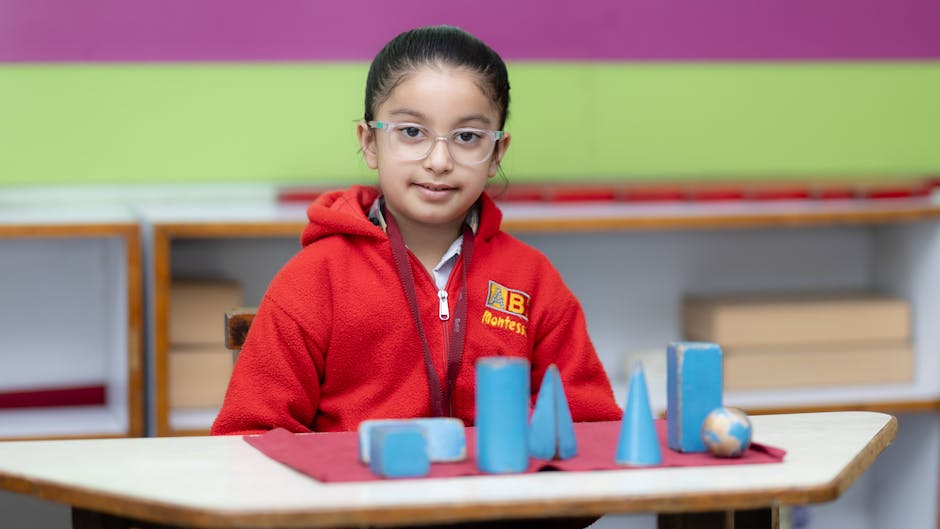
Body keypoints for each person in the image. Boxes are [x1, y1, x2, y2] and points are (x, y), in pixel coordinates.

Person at [211, 25, 621, 438]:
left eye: (467, 137)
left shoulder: (533, 281)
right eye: (411, 132)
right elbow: (249, 439)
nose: (439, 160)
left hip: (500, 502)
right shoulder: (313, 281)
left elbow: (591, 429)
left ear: (496, 153)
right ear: (369, 142)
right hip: (354, 501)